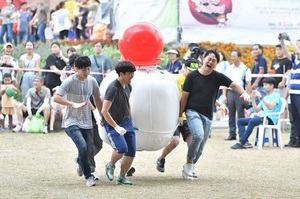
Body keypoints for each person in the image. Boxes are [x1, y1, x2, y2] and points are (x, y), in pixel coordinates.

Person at [179, 50, 250, 180]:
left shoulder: (217, 77)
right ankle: (189, 164)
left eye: (214, 61)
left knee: (200, 149)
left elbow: (233, 85)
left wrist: (244, 93)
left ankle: (190, 166)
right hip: (192, 111)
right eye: (209, 59)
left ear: (216, 64)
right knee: (198, 135)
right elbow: (184, 97)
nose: (210, 62)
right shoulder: (192, 76)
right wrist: (180, 115)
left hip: (207, 115)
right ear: (203, 59)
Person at [54, 56, 102, 187]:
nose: (86, 72)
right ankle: (88, 175)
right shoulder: (69, 81)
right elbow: (56, 98)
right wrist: (72, 104)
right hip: (71, 121)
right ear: (76, 69)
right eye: (83, 69)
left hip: (87, 121)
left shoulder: (92, 81)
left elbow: (97, 99)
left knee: (90, 150)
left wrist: (100, 114)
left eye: (88, 69)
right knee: (82, 146)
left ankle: (80, 161)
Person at [101, 61, 136, 185]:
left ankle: (122, 177)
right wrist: (116, 127)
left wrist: (130, 120)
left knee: (131, 151)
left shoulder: (128, 86)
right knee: (122, 148)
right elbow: (104, 111)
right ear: (121, 74)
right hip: (113, 123)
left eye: (133, 74)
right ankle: (110, 165)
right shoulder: (113, 89)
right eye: (130, 74)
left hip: (127, 122)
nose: (132, 76)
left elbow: (127, 103)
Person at [230, 77, 282, 149]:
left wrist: (261, 98)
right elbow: (257, 110)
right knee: (240, 121)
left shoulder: (276, 96)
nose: (264, 86)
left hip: (270, 119)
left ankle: (242, 142)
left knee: (252, 120)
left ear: (272, 85)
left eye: (266, 84)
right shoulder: (266, 97)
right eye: (263, 85)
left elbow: (271, 107)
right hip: (262, 118)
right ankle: (246, 142)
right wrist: (253, 99)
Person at [223, 50, 252, 142]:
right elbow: (224, 83)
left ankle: (242, 134)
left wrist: (247, 95)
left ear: (239, 57)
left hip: (240, 93)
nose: (232, 58)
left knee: (240, 114)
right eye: (231, 56)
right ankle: (232, 133)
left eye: (234, 56)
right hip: (230, 92)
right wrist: (224, 95)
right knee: (230, 114)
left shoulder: (245, 69)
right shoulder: (229, 69)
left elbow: (248, 84)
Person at [280, 33, 300, 148]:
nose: (297, 47)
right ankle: (298, 140)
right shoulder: (295, 61)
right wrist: (282, 41)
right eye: (296, 45)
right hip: (293, 93)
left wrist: (290, 39)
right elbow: (287, 53)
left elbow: (297, 52)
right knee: (296, 119)